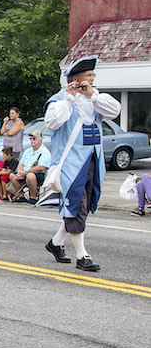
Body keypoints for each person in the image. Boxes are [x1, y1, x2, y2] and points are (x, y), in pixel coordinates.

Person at [43, 56, 120, 272]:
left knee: (82, 204)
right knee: (77, 205)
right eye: (89, 76)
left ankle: (55, 243)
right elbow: (52, 122)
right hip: (70, 164)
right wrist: (68, 98)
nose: (92, 79)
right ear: (75, 79)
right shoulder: (59, 100)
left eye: (93, 76)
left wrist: (92, 95)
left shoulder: (93, 99)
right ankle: (82, 255)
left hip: (92, 160)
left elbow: (115, 111)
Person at [9, 130, 51, 204]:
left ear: (40, 140)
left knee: (30, 176)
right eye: (30, 139)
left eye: (34, 138)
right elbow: (21, 164)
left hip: (37, 174)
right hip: (25, 173)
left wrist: (25, 173)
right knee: (12, 175)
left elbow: (41, 167)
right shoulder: (28, 151)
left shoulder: (45, 152)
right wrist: (20, 172)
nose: (32, 140)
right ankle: (21, 196)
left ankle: (33, 197)